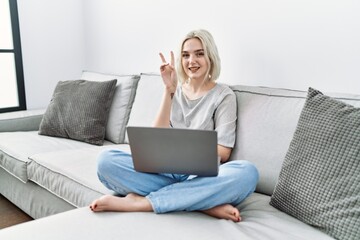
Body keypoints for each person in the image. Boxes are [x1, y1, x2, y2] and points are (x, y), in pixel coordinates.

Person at [90, 29, 259, 222]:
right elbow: (154, 142)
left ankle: (143, 202)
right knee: (106, 161)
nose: (191, 61)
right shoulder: (175, 90)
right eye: (186, 55)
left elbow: (223, 151)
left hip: (201, 176)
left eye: (199, 54)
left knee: (247, 173)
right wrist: (168, 90)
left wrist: (186, 152)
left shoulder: (223, 96)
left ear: (210, 57)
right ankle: (203, 203)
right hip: (166, 170)